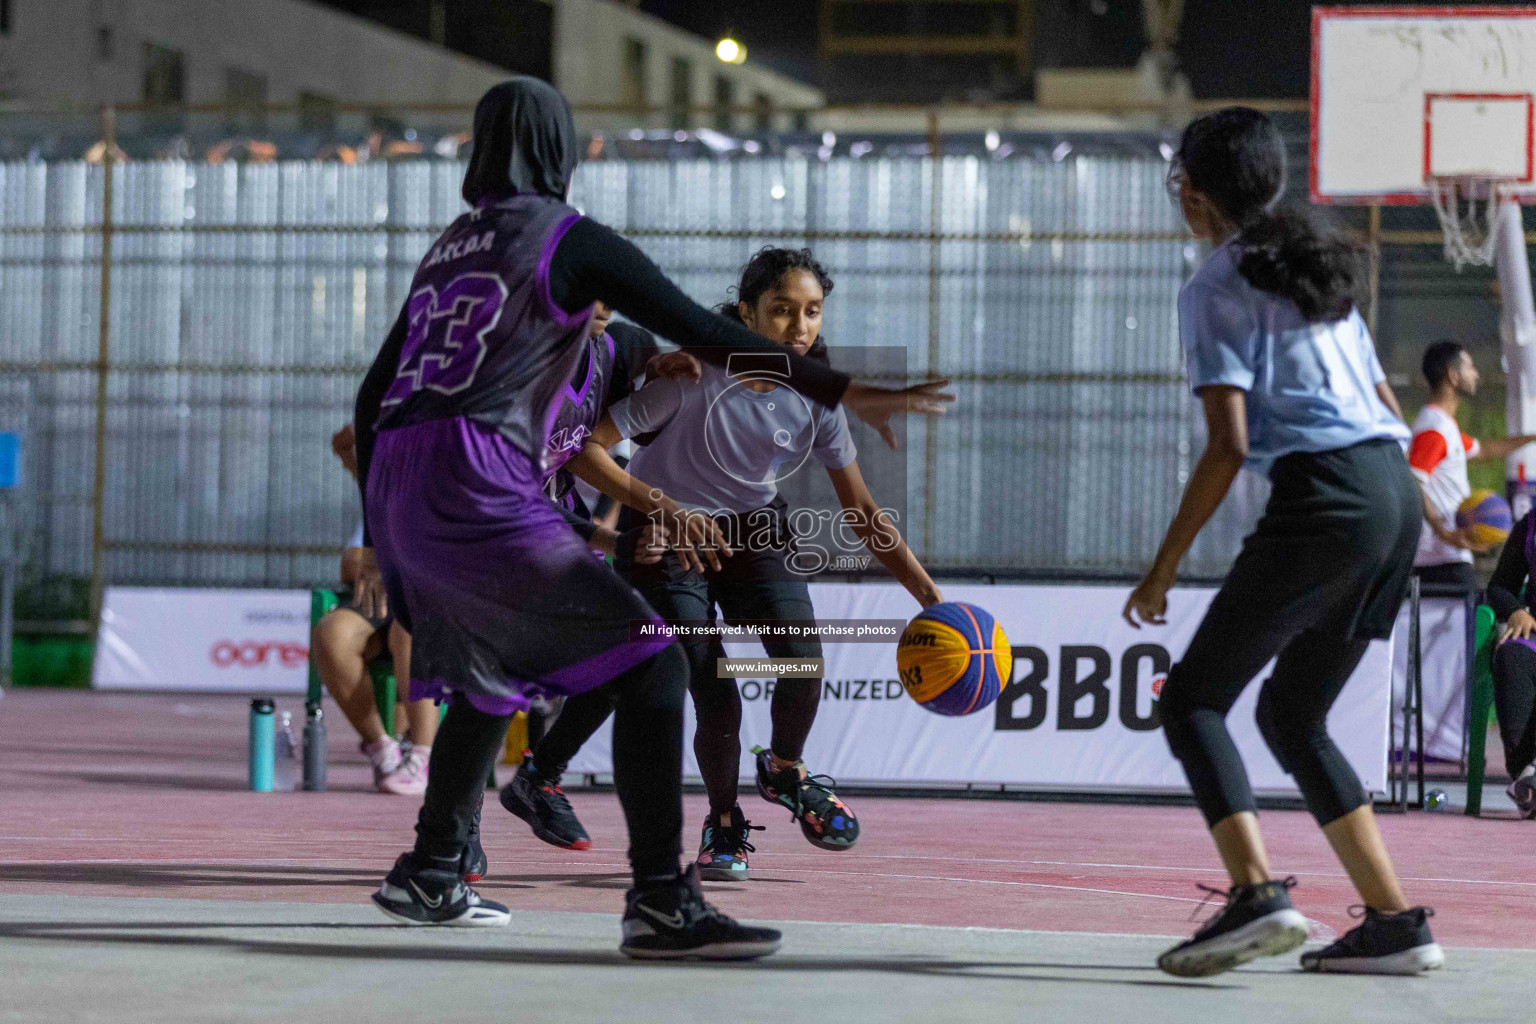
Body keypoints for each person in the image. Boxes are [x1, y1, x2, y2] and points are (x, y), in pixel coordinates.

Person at [352, 77, 950, 957]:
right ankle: (663, 900)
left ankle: (433, 869)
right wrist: (849, 388)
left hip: (403, 478)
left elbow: (372, 398)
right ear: (563, 150)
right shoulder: (564, 238)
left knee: (489, 667)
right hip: (481, 475)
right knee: (654, 662)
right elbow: (698, 328)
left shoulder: (447, 250)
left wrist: (379, 535)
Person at [1122, 107, 1443, 977]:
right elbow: (1378, 392)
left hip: (1329, 497)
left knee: (1192, 700)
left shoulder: (1214, 285)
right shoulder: (1319, 271)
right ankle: (1394, 921)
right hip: (1392, 495)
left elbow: (1227, 445)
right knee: (1293, 716)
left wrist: (1161, 570)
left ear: (1190, 192)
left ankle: (1256, 894)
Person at [509, 248, 944, 881]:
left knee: (804, 659)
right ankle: (724, 823)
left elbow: (861, 510)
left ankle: (784, 769)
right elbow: (587, 453)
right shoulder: (692, 374)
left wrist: (930, 596)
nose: (799, 327)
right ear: (746, 313)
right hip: (664, 532)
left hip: (753, 530)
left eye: (812, 312)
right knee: (714, 691)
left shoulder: (815, 396)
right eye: (781, 311)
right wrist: (664, 509)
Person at [310, 424, 438, 795]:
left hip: (430, 600)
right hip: (378, 600)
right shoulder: (382, 483)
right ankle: (383, 748)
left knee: (409, 631)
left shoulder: (457, 481)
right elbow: (350, 567)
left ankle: (422, 756)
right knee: (331, 633)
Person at [1409, 339, 1536, 589]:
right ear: (1452, 376)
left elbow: (1486, 450)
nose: (1476, 374)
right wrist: (1442, 531)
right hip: (1438, 560)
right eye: (1470, 367)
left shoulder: (1445, 427)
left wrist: (1532, 436)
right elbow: (1413, 481)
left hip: (1446, 556)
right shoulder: (1434, 430)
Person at [1479, 508, 1536, 817]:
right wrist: (1516, 610)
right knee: (1511, 655)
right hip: (1534, 632)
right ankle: (1525, 775)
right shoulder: (1530, 525)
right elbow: (1500, 586)